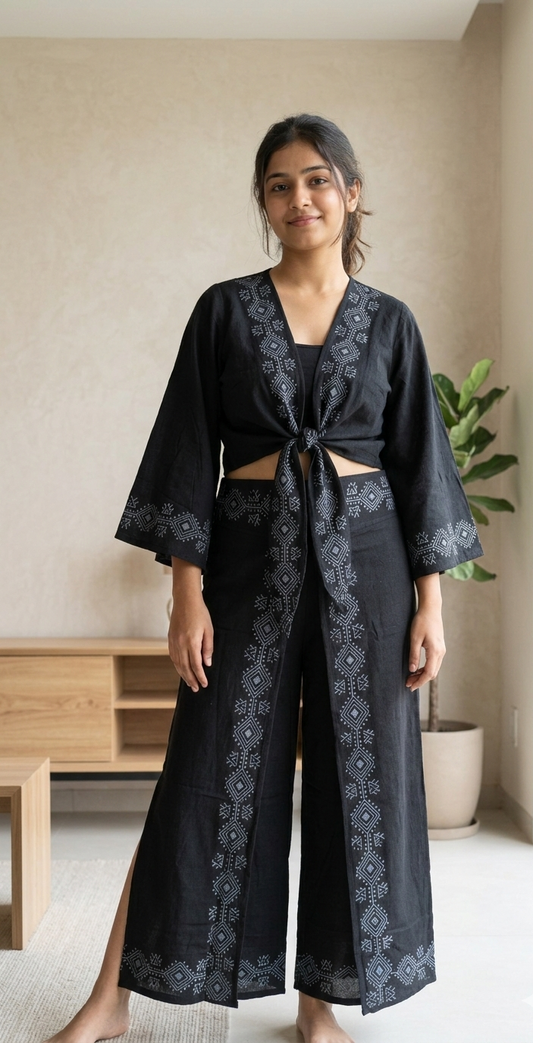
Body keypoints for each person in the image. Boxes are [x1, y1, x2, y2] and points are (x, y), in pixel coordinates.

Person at [44, 114, 483, 1043]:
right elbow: (183, 452)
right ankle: (109, 998)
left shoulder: (390, 322)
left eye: (318, 181)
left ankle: (321, 1004)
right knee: (198, 777)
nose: (300, 200)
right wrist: (185, 591)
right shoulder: (223, 310)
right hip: (246, 561)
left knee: (351, 779)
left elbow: (420, 467)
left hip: (368, 568)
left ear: (350, 192)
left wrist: (430, 605)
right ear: (263, 202)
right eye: (279, 185)